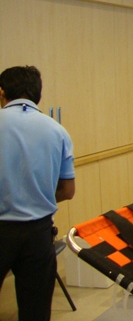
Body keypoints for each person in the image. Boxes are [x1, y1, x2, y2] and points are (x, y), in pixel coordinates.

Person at [0, 66, 75, 321]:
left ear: (2, 93)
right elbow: (68, 190)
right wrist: (36, 196)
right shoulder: (57, 131)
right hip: (38, 234)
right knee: (36, 312)